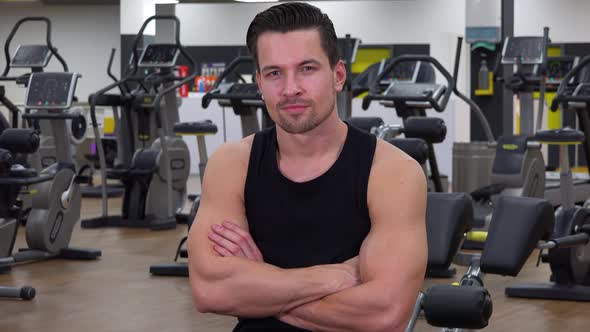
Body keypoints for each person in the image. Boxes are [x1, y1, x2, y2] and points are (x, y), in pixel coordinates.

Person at [188, 2, 427, 331]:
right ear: (259, 81)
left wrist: (261, 286)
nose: (290, 89)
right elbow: (209, 291)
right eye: (274, 73)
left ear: (338, 75)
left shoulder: (391, 172)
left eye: (307, 69)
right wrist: (334, 277)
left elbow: (384, 314)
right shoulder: (232, 164)